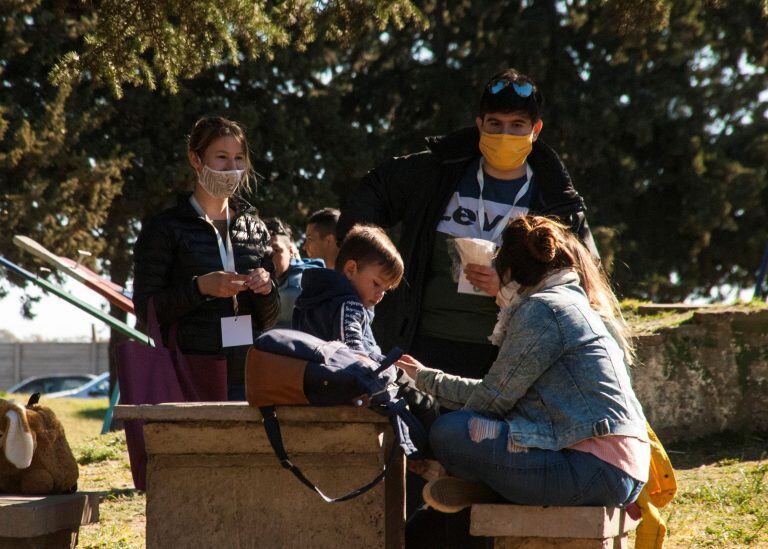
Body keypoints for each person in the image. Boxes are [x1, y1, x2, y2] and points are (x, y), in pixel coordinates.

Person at [338, 68, 598, 384]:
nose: (505, 135)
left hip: (505, 359)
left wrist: (509, 286)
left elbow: (581, 285)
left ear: (536, 129)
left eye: (517, 126)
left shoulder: (557, 200)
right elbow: (374, 190)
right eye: (495, 125)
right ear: (479, 125)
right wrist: (366, 261)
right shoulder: (438, 171)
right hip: (419, 345)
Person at [397, 216, 649, 514]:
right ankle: (495, 487)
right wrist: (426, 377)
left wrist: (424, 379)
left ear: (509, 273)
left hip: (593, 468)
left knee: (451, 432)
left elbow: (491, 400)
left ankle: (489, 487)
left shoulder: (542, 309)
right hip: (621, 469)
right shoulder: (573, 303)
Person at [133, 116, 280, 401]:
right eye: (222, 157)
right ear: (196, 159)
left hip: (248, 371)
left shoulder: (255, 227)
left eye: (239, 158)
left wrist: (266, 288)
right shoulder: (165, 228)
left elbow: (269, 318)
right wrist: (199, 288)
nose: (232, 168)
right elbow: (145, 311)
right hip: (188, 370)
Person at [293, 224, 403, 359]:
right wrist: (386, 367)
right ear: (351, 269)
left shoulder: (317, 295)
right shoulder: (349, 305)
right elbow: (355, 356)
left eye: (385, 290)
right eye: (377, 284)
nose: (380, 295)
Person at [264, 217, 323, 328]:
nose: (269, 257)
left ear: (291, 251)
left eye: (276, 250)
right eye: (263, 252)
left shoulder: (305, 286)